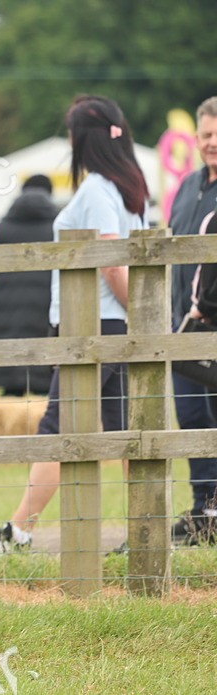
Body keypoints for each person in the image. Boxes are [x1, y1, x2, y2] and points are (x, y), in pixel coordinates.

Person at [0, 95, 148, 556]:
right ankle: (146, 529)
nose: (68, 143)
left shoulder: (98, 189)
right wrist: (139, 318)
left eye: (70, 134)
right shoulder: (126, 188)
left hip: (91, 326)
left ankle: (18, 532)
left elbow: (110, 262)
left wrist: (143, 317)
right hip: (110, 323)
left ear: (83, 138)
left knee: (57, 427)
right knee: (124, 428)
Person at [164, 97, 217, 545]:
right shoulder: (186, 187)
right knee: (192, 417)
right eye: (206, 134)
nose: (212, 142)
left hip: (212, 321)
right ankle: (205, 512)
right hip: (184, 326)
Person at [0, 174, 57, 396]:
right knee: (44, 373)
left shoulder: (1, 230)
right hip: (45, 306)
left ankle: (10, 398)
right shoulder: (58, 227)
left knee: (10, 371)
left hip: (5, 307)